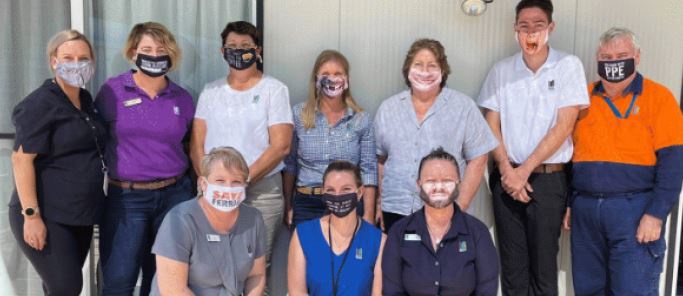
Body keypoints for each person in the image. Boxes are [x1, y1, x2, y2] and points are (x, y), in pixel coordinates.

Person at [476, 0, 589, 294]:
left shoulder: (568, 65)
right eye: (523, 26)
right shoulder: (501, 71)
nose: (531, 33)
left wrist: (524, 171)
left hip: (548, 179)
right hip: (507, 178)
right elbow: (491, 124)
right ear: (515, 29)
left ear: (550, 27)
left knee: (544, 269)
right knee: (513, 267)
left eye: (538, 25)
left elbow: (565, 125)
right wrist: (506, 169)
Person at [568, 27, 683, 295]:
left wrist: (656, 214)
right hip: (585, 208)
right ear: (597, 58)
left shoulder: (659, 98)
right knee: (589, 289)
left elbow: (674, 162)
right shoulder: (581, 99)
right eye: (607, 56)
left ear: (637, 57)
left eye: (622, 54)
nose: (614, 62)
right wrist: (570, 203)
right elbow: (568, 155)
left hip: (634, 210)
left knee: (633, 289)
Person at [95, 22, 195, 296]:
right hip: (127, 199)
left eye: (160, 49)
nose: (153, 55)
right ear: (133, 52)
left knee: (163, 280)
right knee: (118, 279)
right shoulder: (112, 92)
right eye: (146, 49)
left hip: (175, 196)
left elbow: (190, 145)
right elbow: (94, 137)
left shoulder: (183, 98)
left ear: (171, 54)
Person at [8, 30, 104, 296]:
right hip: (46, 214)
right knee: (67, 286)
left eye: (83, 58)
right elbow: (21, 159)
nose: (76, 64)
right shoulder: (40, 104)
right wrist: (31, 216)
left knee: (59, 287)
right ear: (53, 61)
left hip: (79, 214)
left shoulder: (84, 100)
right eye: (68, 57)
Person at [374, 38, 497, 231]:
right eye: (418, 65)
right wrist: (380, 203)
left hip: (444, 211)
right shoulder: (388, 108)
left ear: (443, 70)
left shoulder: (463, 107)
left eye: (432, 65)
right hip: (395, 209)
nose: (424, 71)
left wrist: (460, 207)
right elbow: (380, 159)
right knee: (397, 261)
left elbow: (479, 158)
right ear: (408, 69)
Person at [151, 146, 267, 295]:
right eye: (220, 180)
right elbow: (173, 289)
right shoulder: (179, 220)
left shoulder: (253, 219)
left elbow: (256, 275)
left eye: (236, 181)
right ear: (203, 184)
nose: (228, 188)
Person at [382, 148, 499, 295]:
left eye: (447, 180)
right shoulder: (398, 232)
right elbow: (392, 290)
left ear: (458, 183)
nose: (439, 187)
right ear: (419, 184)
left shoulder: (477, 232)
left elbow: (486, 288)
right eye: (430, 181)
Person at [283, 50, 377, 228]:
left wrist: (369, 214)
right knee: (306, 255)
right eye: (325, 74)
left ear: (347, 79)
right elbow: (290, 163)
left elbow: (369, 169)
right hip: (307, 204)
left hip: (348, 203)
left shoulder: (361, 119)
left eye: (338, 74)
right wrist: (288, 204)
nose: (332, 79)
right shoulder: (299, 114)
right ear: (316, 79)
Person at [288, 161, 385, 296]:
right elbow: (297, 292)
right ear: (323, 193)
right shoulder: (303, 234)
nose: (338, 196)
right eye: (330, 190)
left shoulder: (378, 240)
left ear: (360, 192)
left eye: (346, 189)